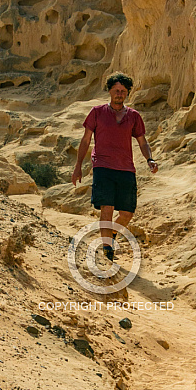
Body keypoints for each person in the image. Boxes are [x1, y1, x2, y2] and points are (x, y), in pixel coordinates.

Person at [72, 72, 158, 262]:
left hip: (126, 168)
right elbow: (85, 140)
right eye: (116, 90)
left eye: (123, 91)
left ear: (127, 93)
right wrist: (78, 166)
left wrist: (149, 159)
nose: (119, 94)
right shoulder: (97, 112)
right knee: (107, 208)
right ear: (110, 91)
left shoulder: (134, 116)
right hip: (102, 166)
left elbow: (142, 142)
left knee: (127, 213)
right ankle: (107, 251)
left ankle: (110, 234)